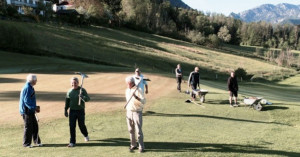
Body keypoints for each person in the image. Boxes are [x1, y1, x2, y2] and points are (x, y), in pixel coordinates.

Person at [64, 77, 90, 147]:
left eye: (75, 83)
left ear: (78, 83)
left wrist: (83, 97)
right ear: (70, 83)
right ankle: (72, 142)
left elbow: (88, 99)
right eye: (72, 83)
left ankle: (86, 135)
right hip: (72, 111)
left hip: (80, 110)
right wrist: (65, 110)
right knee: (72, 126)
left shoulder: (82, 90)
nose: (73, 84)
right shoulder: (69, 91)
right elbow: (67, 101)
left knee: (81, 125)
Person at [19, 74, 42, 148]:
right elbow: (26, 101)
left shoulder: (30, 87)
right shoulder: (27, 88)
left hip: (30, 110)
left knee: (35, 126)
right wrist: (34, 108)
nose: (36, 81)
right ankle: (26, 144)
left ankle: (37, 142)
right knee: (28, 127)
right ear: (32, 80)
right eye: (35, 80)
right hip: (27, 111)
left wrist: (34, 108)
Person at [125, 76, 146, 153]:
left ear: (130, 83)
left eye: (127, 83)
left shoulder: (139, 90)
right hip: (129, 112)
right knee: (130, 130)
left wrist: (136, 97)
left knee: (138, 131)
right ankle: (133, 144)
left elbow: (144, 101)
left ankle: (141, 147)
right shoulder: (127, 90)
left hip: (137, 112)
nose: (126, 84)